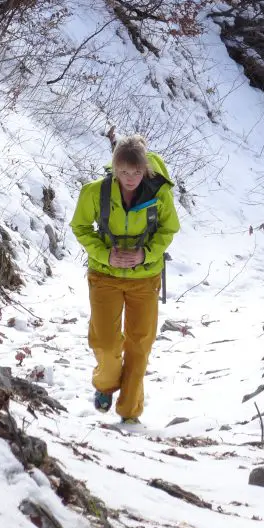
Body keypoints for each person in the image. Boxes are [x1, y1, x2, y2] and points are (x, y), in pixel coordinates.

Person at [70, 135, 180, 423]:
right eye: (123, 172)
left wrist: (145, 255)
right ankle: (106, 384)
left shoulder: (159, 194)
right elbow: (80, 226)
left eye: (136, 172)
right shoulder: (95, 192)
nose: (130, 178)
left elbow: (169, 229)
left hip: (145, 279)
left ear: (145, 169)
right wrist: (105, 254)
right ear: (114, 168)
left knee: (140, 344)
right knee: (105, 343)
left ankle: (130, 412)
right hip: (104, 276)